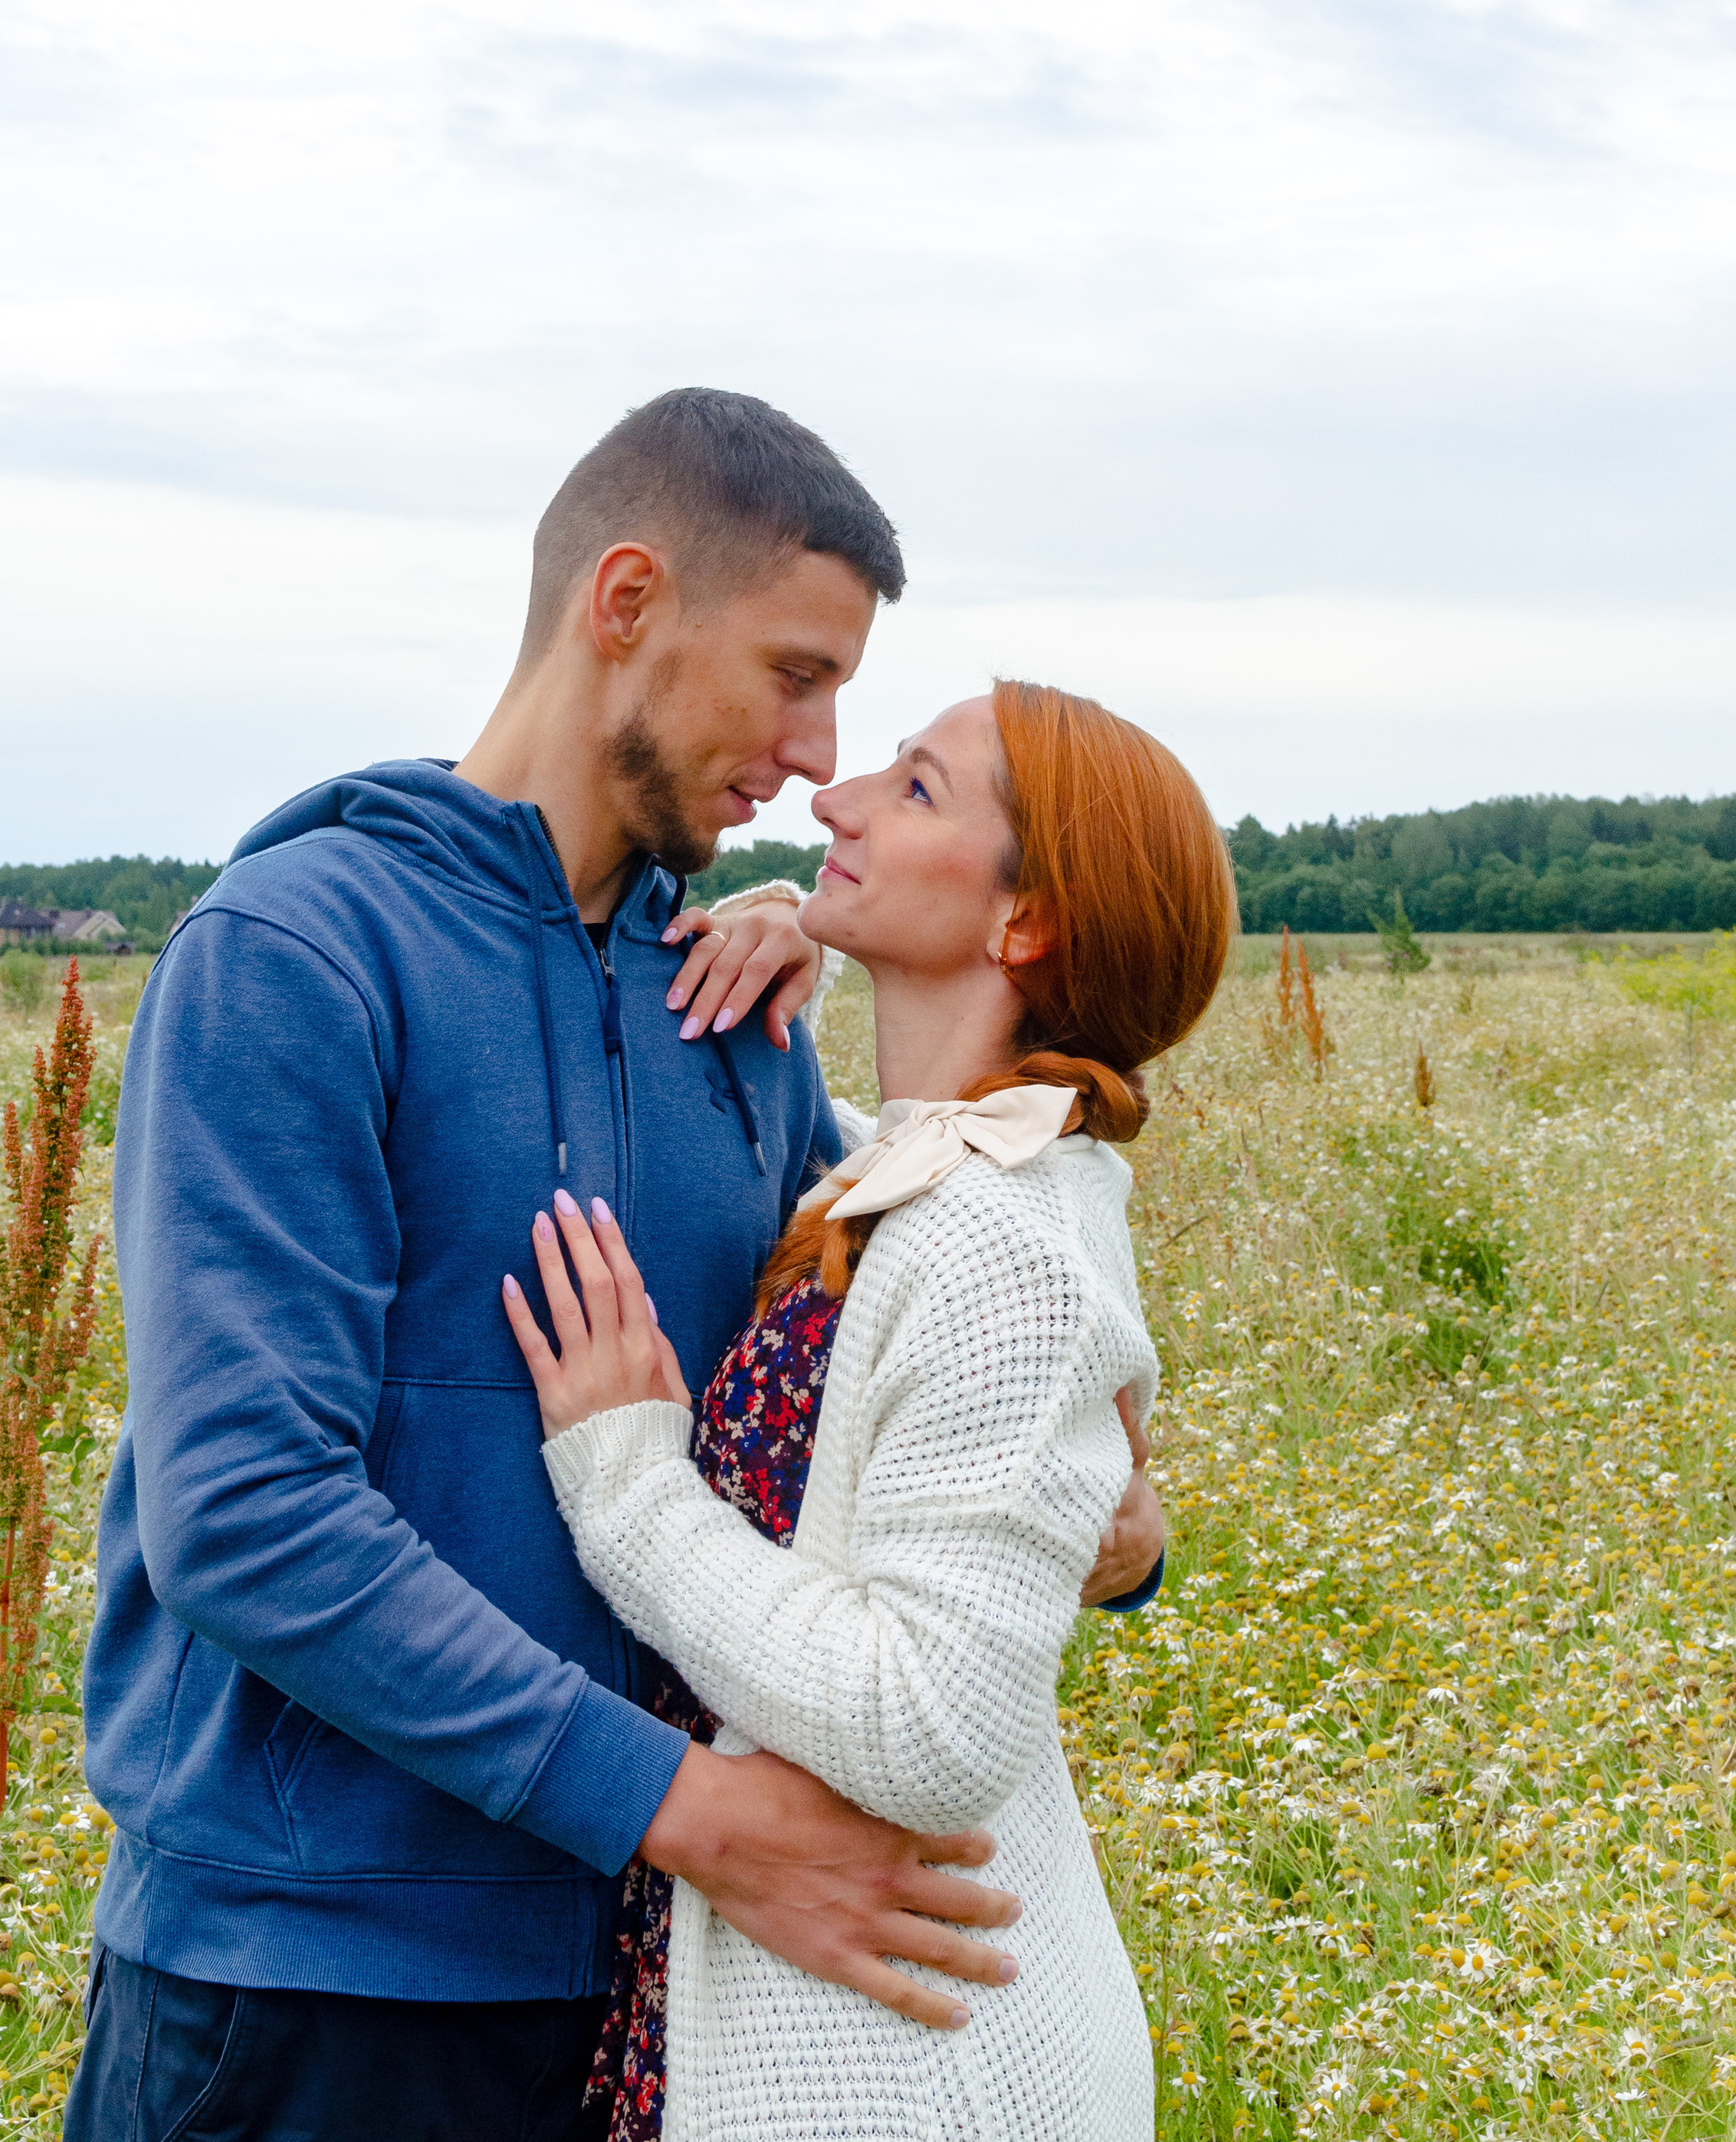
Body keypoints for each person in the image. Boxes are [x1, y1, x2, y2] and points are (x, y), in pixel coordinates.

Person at [65, 392, 1154, 2142]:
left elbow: (891, 1391)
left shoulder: (736, 1017)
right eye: (794, 673)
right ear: (628, 600)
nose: (815, 753)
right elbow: (245, 1513)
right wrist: (685, 1809)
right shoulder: (296, 951)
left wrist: (1115, 1511)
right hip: (309, 1976)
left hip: (659, 1997)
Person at [506, 680, 1237, 2140]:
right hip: (841, 2007)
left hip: (909, 2066)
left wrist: (629, 1487)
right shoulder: (935, 1179)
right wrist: (800, 950)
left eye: (912, 788)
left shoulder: (1004, 1244)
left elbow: (930, 1727)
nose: (830, 798)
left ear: (1023, 922)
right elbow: (875, 1195)